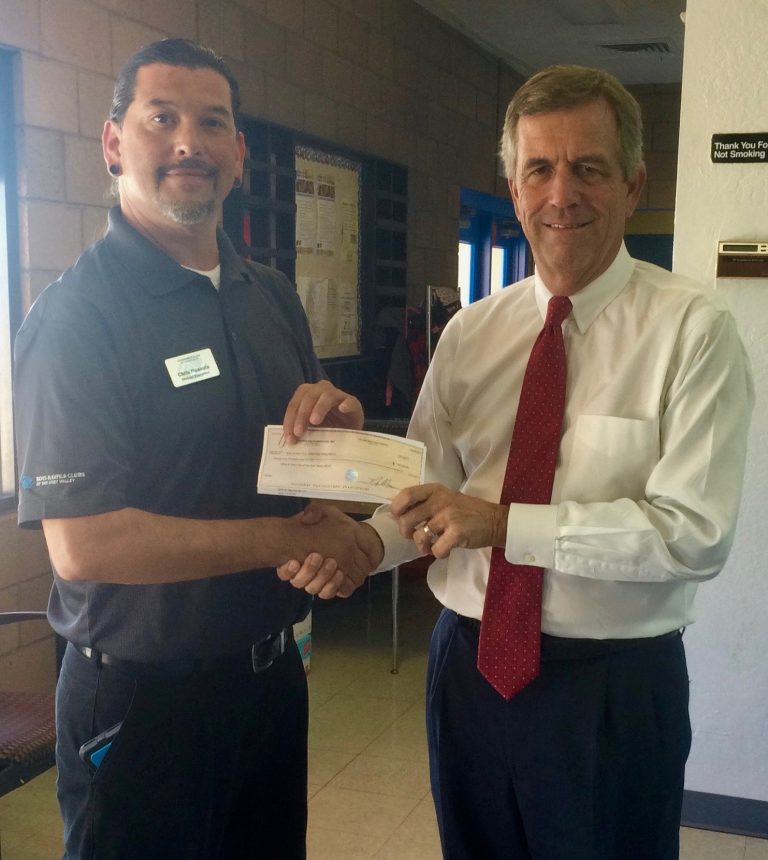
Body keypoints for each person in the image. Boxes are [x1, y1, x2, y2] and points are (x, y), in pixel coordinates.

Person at [279, 65, 754, 859]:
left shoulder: (692, 334)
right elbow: (420, 490)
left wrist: (503, 524)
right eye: (539, 168)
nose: (561, 193)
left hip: (610, 688)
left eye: (588, 168)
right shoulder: (471, 333)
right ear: (514, 183)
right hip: (467, 670)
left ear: (633, 185)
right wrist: (361, 543)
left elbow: (693, 534)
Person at [13, 38, 380, 860]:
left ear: (239, 154)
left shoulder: (269, 295)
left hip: (272, 682)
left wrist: (345, 443)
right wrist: (290, 543)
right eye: (162, 118)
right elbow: (85, 543)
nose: (189, 142)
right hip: (142, 702)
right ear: (114, 144)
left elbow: (312, 483)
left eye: (213, 123)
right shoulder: (78, 318)